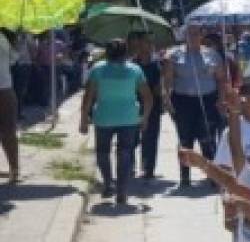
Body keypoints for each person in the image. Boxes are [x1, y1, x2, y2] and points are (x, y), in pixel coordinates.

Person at [79, 40, 153, 205]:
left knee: (102, 152)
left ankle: (107, 182)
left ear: (107, 52)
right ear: (125, 53)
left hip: (104, 117)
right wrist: (145, 117)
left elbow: (88, 97)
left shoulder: (97, 70)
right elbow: (148, 97)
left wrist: (84, 119)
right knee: (125, 153)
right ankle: (122, 191)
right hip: (129, 118)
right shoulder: (135, 70)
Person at [162, 25, 228, 191]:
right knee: (185, 139)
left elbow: (221, 79)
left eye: (196, 33)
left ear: (201, 35)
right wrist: (167, 99)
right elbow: (168, 79)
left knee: (207, 138)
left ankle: (213, 175)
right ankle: (185, 176)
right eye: (189, 33)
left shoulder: (212, 54)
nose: (193, 36)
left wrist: (221, 99)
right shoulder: (174, 55)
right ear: (184, 35)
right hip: (183, 101)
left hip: (207, 100)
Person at [128, 31, 163, 180]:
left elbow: (160, 89)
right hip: (133, 105)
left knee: (150, 138)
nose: (148, 46)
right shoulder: (131, 65)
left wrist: (163, 77)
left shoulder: (158, 65)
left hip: (153, 105)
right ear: (138, 44)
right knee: (131, 138)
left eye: (150, 43)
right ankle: (130, 166)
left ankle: (148, 168)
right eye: (145, 42)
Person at [0, 29, 19, 183]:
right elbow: (14, 59)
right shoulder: (3, 38)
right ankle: (14, 169)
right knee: (8, 132)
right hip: (5, 89)